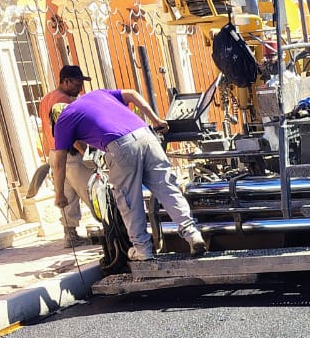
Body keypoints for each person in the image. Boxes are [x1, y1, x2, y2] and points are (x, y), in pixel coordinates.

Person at [51, 88, 206, 262]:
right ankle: (193, 235)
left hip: (121, 147)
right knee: (168, 189)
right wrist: (156, 120)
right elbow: (132, 93)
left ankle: (143, 250)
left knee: (128, 200)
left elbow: (58, 163)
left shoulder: (63, 121)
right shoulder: (97, 95)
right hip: (146, 136)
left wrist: (59, 194)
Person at [38, 65, 98, 247]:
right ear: (65, 81)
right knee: (92, 192)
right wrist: (86, 152)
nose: (80, 89)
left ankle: (70, 234)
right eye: (77, 84)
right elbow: (68, 133)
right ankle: (114, 228)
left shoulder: (47, 98)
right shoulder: (63, 102)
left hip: (55, 153)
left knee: (67, 195)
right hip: (70, 154)